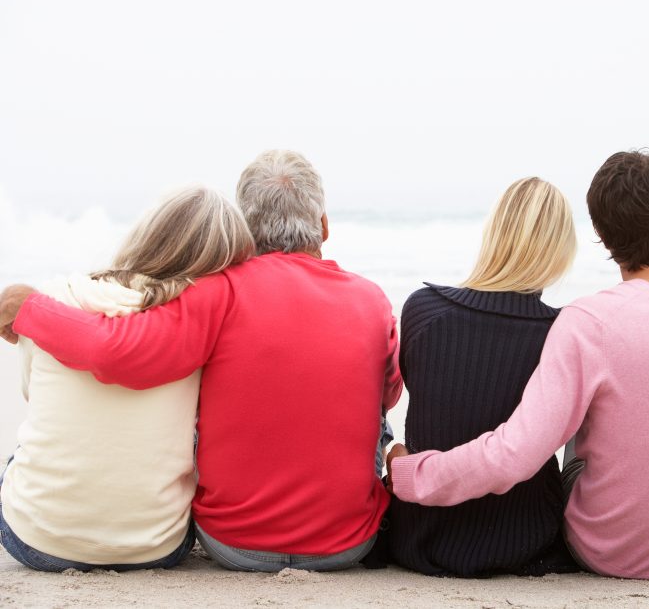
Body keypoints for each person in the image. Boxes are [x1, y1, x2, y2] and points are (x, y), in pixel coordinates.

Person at [0, 150, 403, 572]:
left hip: (233, 544)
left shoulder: (218, 291)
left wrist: (30, 309)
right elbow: (390, 393)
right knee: (374, 408)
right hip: (347, 545)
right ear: (323, 225)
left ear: (244, 226)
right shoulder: (371, 300)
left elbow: (117, 353)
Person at [387, 151, 649, 580]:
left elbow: (513, 456)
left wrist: (413, 474)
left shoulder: (589, 322)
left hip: (612, 551)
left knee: (578, 418)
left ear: (599, 233)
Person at [0, 187, 254, 571]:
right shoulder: (208, 328)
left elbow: (34, 397)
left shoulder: (53, 298)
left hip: (37, 541)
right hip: (155, 547)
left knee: (24, 453)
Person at [389, 177, 578, 577]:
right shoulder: (562, 332)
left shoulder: (423, 311)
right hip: (526, 538)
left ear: (493, 234)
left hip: (422, 534)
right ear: (561, 252)